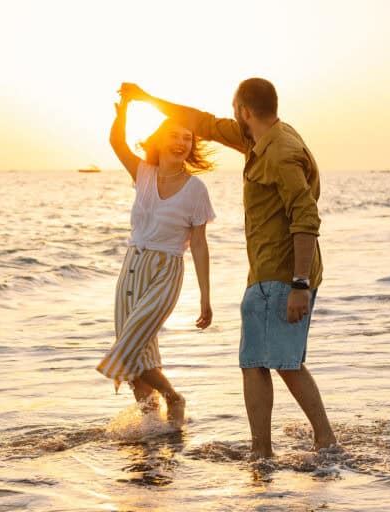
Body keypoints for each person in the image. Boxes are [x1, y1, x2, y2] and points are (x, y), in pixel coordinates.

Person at [120, 79, 337, 457]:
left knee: (268, 364)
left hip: (282, 275)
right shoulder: (259, 138)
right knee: (271, 363)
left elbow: (305, 216)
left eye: (235, 111)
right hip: (268, 273)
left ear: (244, 110)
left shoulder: (281, 152)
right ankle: (293, 446)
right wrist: (146, 99)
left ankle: (285, 448)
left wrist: (299, 284)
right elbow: (201, 122)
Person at [96, 86, 215, 425]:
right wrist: (123, 114)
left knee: (132, 343)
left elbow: (201, 245)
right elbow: (117, 143)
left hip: (166, 271)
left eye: (188, 139)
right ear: (161, 140)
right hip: (131, 267)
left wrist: (206, 296)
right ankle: (153, 424)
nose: (182, 143)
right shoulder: (143, 174)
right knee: (137, 348)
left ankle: (174, 398)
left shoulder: (196, 190)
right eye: (175, 136)